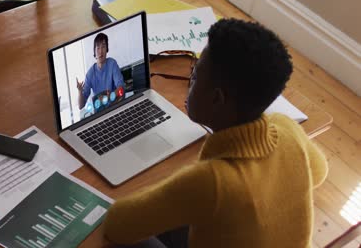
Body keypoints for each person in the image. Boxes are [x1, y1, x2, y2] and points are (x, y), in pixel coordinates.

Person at [103, 18, 328, 248]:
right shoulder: (287, 128)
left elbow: (117, 224)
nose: (191, 82)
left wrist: (174, 188)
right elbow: (319, 171)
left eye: (196, 75)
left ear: (216, 98)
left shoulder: (211, 182)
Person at [77, 33, 125, 110]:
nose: (101, 51)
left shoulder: (112, 64)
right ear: (94, 52)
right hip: (100, 112)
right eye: (98, 48)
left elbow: (121, 88)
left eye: (103, 47)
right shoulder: (90, 74)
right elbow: (81, 106)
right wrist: (80, 91)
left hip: (115, 107)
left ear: (107, 49)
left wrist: (109, 96)